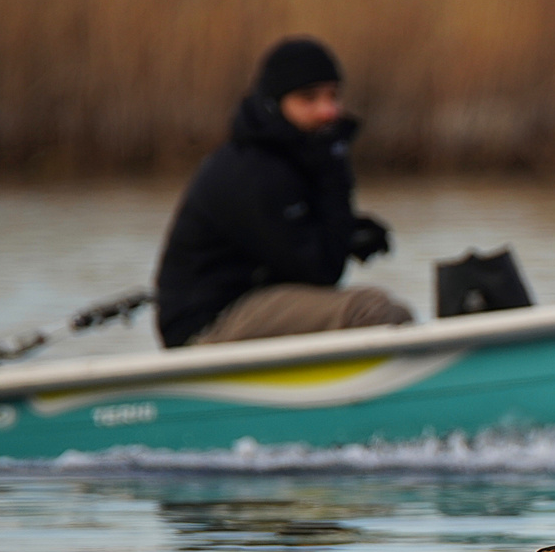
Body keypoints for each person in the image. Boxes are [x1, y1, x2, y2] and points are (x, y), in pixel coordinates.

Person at [153, 36, 413, 347]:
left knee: (389, 311)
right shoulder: (251, 171)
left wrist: (348, 232)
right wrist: (334, 172)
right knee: (373, 311)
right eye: (309, 99)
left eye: (333, 97)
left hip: (254, 300)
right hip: (207, 325)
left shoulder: (294, 157)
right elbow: (320, 271)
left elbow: (297, 251)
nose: (327, 111)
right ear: (274, 104)